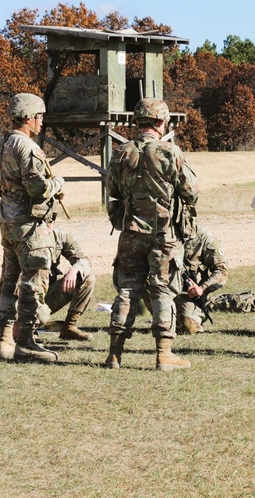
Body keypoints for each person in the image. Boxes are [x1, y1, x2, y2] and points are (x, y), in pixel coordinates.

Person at [105, 98, 199, 371]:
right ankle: (164, 354)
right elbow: (191, 191)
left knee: (126, 290)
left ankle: (114, 354)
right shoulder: (171, 152)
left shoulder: (121, 152)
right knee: (162, 290)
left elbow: (112, 190)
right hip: (163, 234)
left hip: (130, 233)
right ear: (161, 122)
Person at [0, 93, 66, 363]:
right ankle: (27, 342)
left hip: (7, 220)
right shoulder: (28, 147)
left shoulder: (0, 144)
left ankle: (4, 339)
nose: (42, 122)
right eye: (40, 116)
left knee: (9, 281)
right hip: (29, 225)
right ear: (29, 117)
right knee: (33, 283)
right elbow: (37, 188)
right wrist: (58, 184)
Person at [38, 225, 95, 340]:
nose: (49, 222)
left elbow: (83, 260)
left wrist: (75, 269)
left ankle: (69, 328)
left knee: (87, 277)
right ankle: (26, 328)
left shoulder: (60, 236)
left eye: (52, 217)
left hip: (45, 294)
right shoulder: (23, 237)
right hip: (24, 299)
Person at [176, 223, 229, 335]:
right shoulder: (160, 234)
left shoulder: (204, 238)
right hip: (162, 291)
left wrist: (202, 289)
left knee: (189, 326)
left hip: (189, 295)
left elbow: (222, 270)